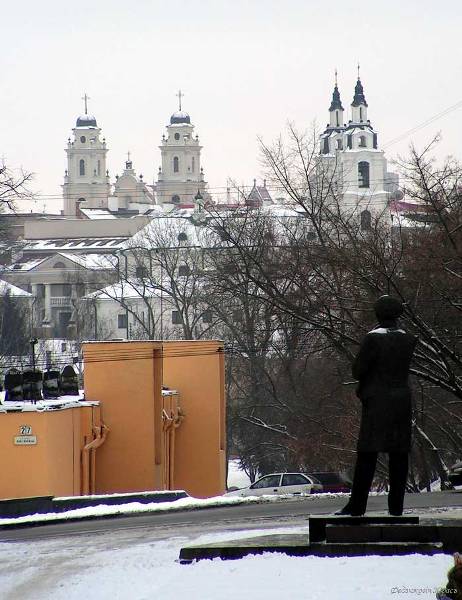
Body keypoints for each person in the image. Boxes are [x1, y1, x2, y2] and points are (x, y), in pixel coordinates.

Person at [336, 295, 417, 516]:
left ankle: (357, 505)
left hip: (377, 401)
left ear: (378, 314)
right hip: (401, 400)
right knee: (399, 454)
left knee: (367, 453)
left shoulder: (373, 339)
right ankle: (396, 507)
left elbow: (358, 370)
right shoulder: (409, 339)